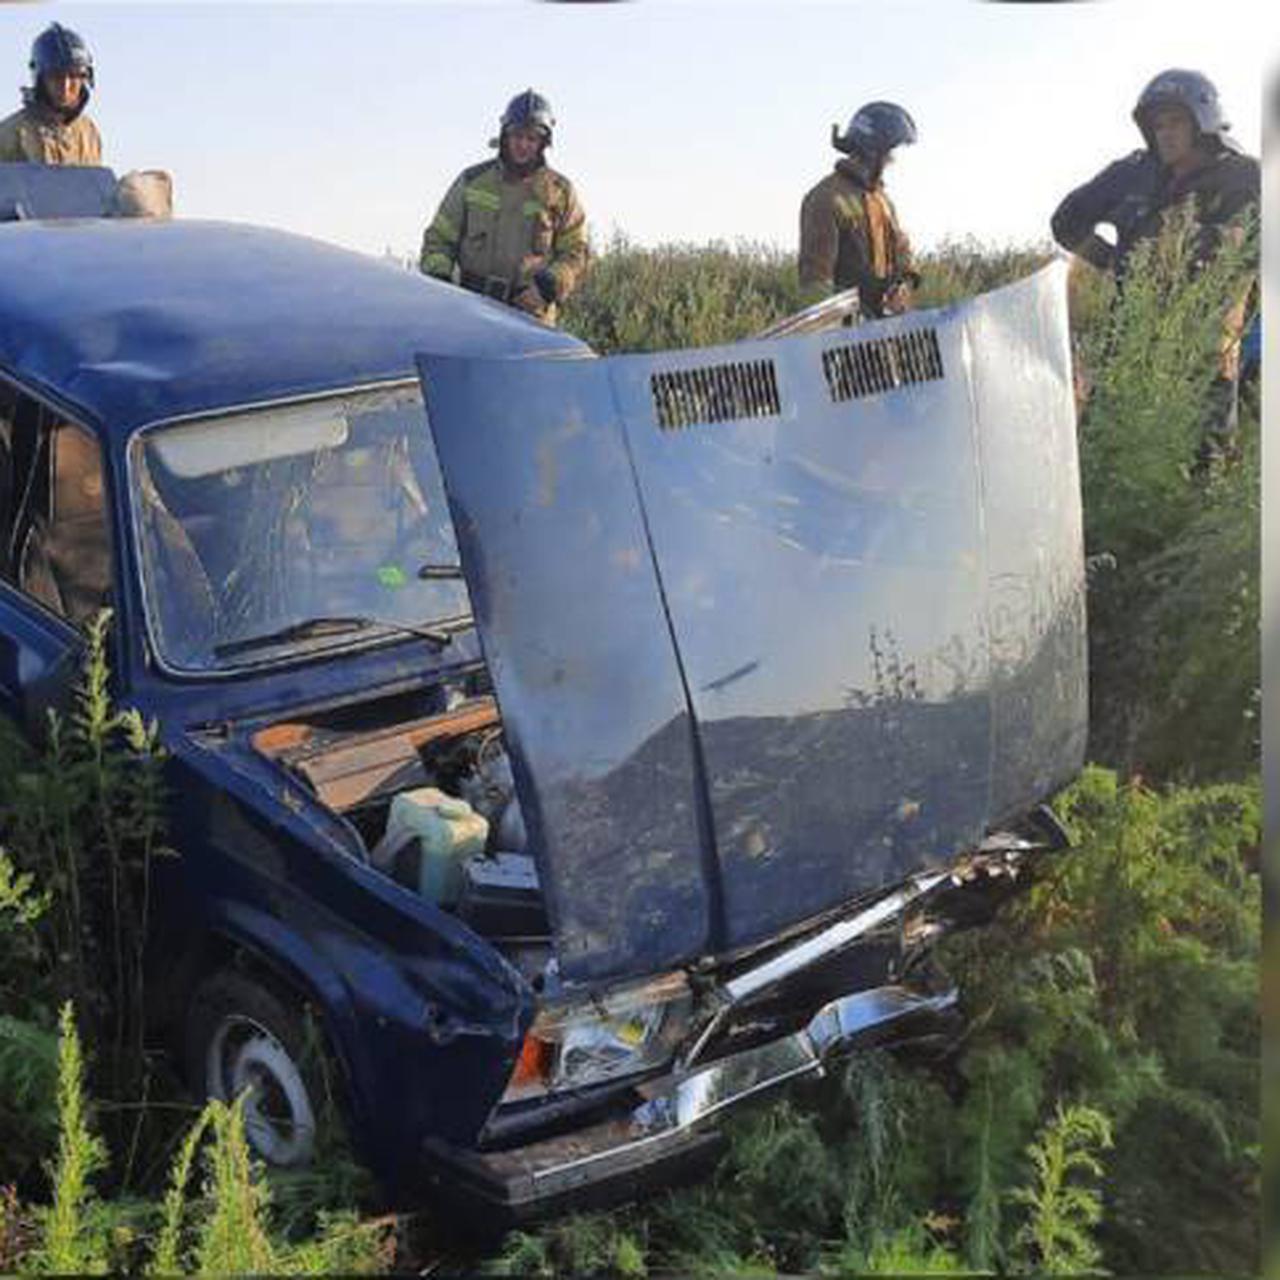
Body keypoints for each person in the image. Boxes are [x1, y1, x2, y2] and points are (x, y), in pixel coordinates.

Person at [1051, 69, 1260, 459]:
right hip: (1127, 346)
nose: (1165, 132)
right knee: (1102, 461)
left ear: (1203, 120)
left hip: (1203, 357)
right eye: (1158, 124)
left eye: (1176, 121)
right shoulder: (1134, 173)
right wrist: (1111, 260)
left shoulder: (1245, 178)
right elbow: (1067, 221)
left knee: (1201, 475)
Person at [420, 90, 588, 326]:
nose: (523, 145)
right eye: (517, 136)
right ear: (504, 135)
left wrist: (547, 288)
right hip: (471, 312)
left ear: (543, 143)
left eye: (531, 139)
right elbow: (438, 239)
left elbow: (576, 253)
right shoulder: (472, 181)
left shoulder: (560, 192)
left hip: (531, 319)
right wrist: (440, 282)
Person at [797, 101, 919, 318]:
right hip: (846, 339)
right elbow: (815, 285)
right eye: (889, 153)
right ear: (873, 152)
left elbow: (902, 252)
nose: (892, 161)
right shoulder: (826, 198)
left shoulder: (882, 201)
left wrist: (904, 284)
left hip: (883, 331)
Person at [0, 23, 102, 166]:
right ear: (41, 79)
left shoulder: (88, 132)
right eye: (56, 76)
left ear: (85, 78)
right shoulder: (10, 134)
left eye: (74, 76)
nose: (66, 86)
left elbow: (94, 186)